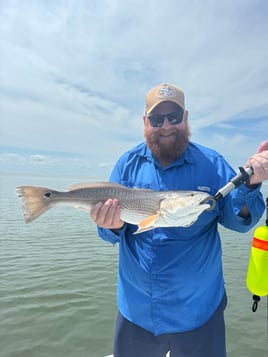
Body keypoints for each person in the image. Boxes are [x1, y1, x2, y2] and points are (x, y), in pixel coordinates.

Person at [90, 83, 268, 357]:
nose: (166, 126)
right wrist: (109, 226)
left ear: (185, 119)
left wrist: (251, 184)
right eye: (156, 119)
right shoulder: (126, 165)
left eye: (173, 117)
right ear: (144, 122)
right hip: (137, 312)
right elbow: (109, 233)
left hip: (199, 313)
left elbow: (238, 219)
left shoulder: (211, 163)